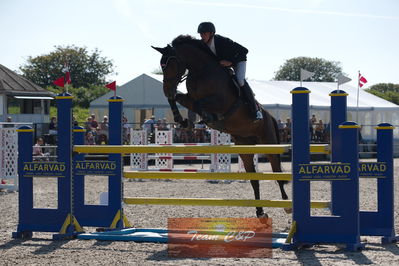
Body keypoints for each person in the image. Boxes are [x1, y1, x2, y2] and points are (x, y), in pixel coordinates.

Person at [197, 21, 263, 121]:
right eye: (201, 34)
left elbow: (244, 50)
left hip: (238, 60)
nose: (202, 36)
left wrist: (230, 62)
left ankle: (255, 109)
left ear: (211, 33)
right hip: (223, 64)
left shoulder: (222, 41)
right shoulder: (202, 45)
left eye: (204, 33)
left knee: (240, 80)